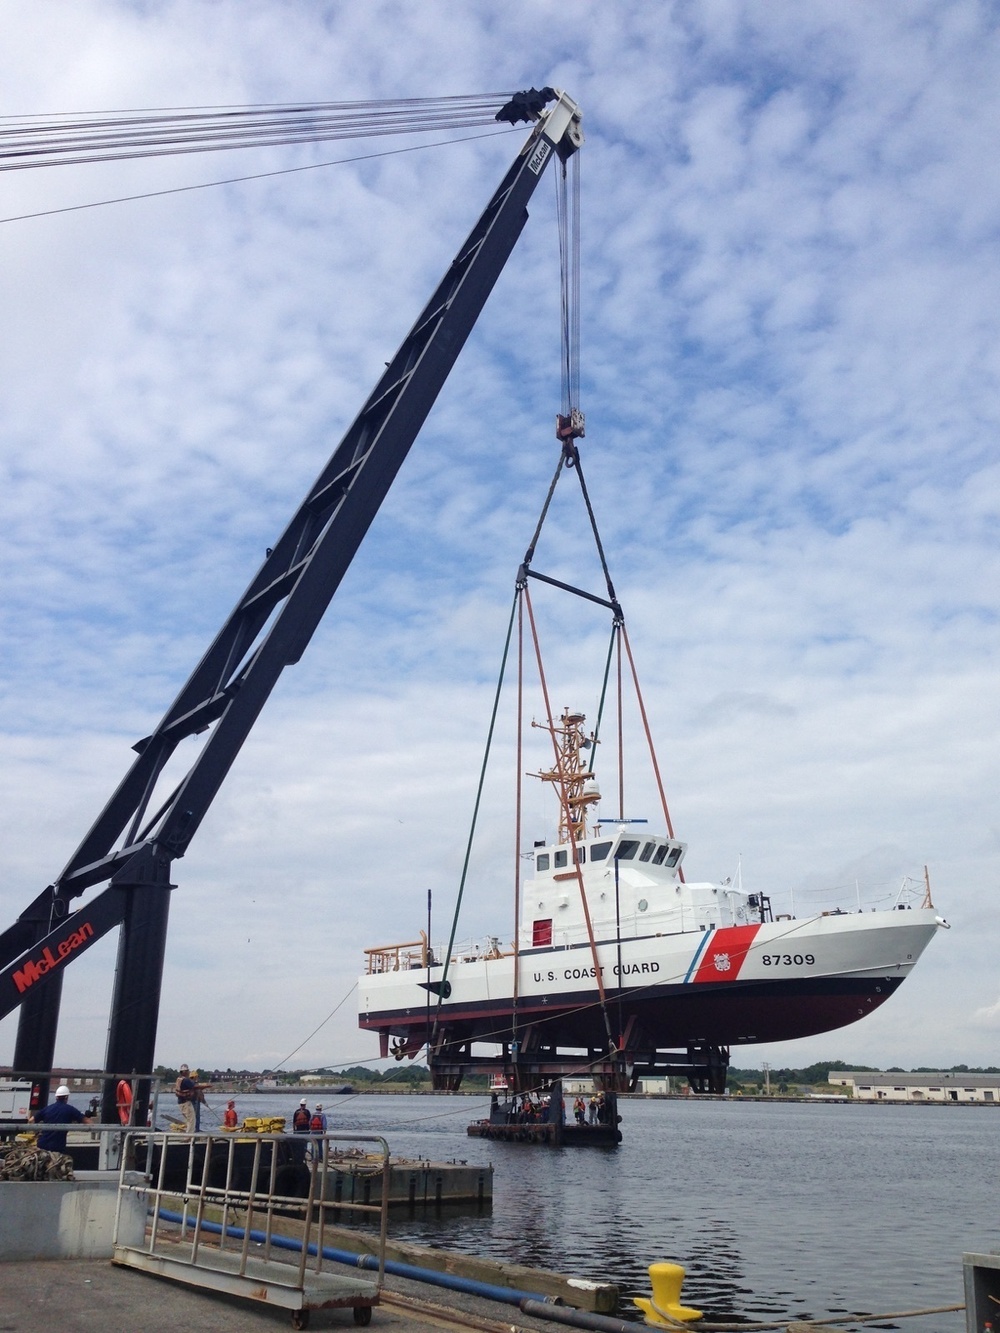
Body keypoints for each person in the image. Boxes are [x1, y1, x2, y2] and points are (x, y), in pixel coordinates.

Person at [31, 1085, 90, 1154]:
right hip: (57, 1147)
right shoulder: (70, 1109)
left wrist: (37, 1132)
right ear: (66, 1097)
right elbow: (88, 1122)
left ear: (56, 1097)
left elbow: (31, 1120)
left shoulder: (47, 1109)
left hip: (42, 1145)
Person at [174, 1065, 208, 1132]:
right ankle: (194, 1131)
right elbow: (199, 1093)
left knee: (189, 1119)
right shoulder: (190, 1082)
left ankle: (191, 1130)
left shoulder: (181, 1080)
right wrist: (204, 1102)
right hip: (193, 1102)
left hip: (184, 1102)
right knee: (194, 1118)